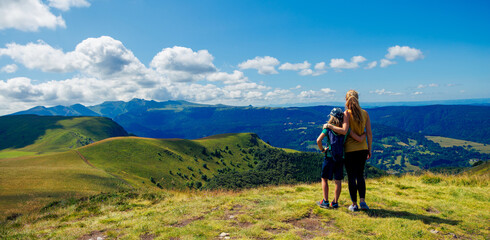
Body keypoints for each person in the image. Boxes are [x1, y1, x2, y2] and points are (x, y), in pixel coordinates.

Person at [325, 90, 372, 211]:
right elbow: (369, 134)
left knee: (351, 176)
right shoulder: (365, 113)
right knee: (360, 175)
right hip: (362, 149)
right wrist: (369, 149)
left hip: (350, 150)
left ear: (346, 100)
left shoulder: (347, 114)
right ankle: (363, 201)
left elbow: (344, 131)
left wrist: (329, 126)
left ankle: (354, 204)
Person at [316, 107, 365, 209]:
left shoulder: (328, 128)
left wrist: (322, 149)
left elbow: (318, 140)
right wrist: (364, 134)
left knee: (324, 178)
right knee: (337, 181)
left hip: (329, 156)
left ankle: (325, 201)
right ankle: (335, 202)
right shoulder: (346, 130)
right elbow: (359, 139)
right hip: (340, 158)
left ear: (332, 117)